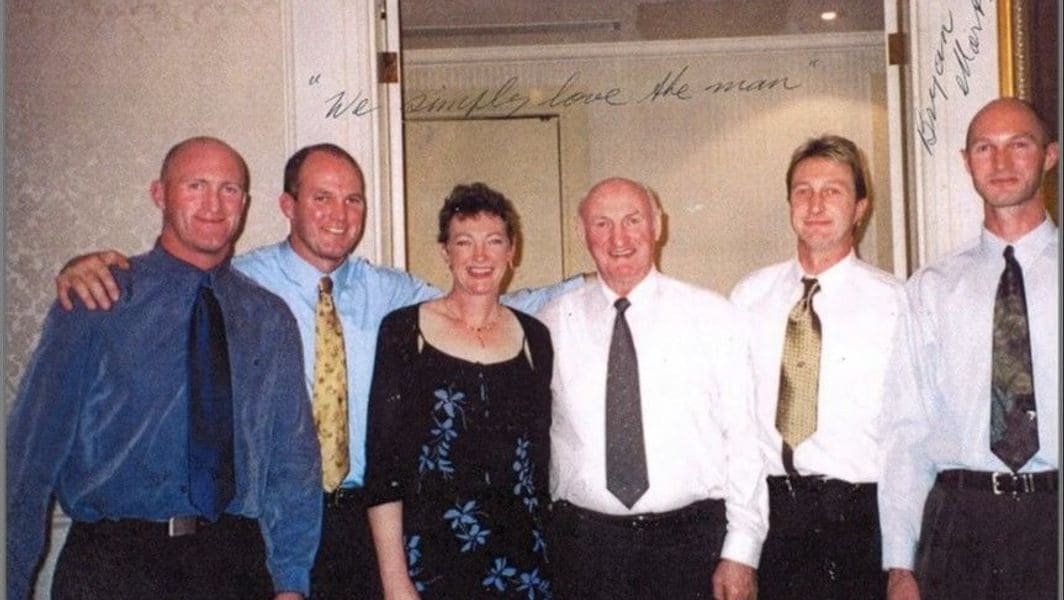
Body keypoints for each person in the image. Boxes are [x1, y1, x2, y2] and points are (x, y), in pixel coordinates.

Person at [53, 143, 580, 599]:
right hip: (271, 523)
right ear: (288, 205)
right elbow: (169, 280)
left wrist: (597, 280)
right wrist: (86, 268)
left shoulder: (392, 294)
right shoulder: (238, 284)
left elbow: (483, 302)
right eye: (321, 197)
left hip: (364, 523)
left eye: (353, 199)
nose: (339, 213)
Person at [6, 136, 322, 599]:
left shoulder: (268, 318)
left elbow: (292, 463)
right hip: (114, 567)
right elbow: (28, 459)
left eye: (229, 189)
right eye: (196, 185)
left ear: (246, 204)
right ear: (160, 194)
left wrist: (291, 582)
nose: (214, 204)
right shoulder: (98, 298)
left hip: (234, 566)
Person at [538, 177, 767, 600]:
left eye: (632, 220)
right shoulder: (551, 324)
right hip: (586, 551)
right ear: (581, 231)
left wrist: (741, 551)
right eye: (602, 223)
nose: (619, 238)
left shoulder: (713, 316)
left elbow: (744, 439)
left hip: (690, 545)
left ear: (657, 225)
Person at [879, 97, 1059, 600]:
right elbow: (906, 429)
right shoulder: (932, 287)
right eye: (985, 148)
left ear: (1049, 156)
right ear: (966, 162)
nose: (1001, 163)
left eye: (1018, 145)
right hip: (962, 525)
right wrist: (899, 564)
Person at [730, 135, 906, 599]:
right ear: (789, 202)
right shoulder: (749, 297)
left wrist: (903, 561)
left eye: (834, 190)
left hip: (861, 522)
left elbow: (909, 438)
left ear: (861, 206)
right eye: (803, 191)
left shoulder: (896, 303)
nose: (816, 204)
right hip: (774, 521)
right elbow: (736, 427)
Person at [364, 183, 554, 599]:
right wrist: (396, 582)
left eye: (493, 242)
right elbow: (383, 468)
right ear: (445, 252)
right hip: (431, 561)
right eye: (464, 242)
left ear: (512, 251)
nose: (480, 257)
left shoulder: (535, 338)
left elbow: (539, 467)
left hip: (523, 561)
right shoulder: (402, 331)